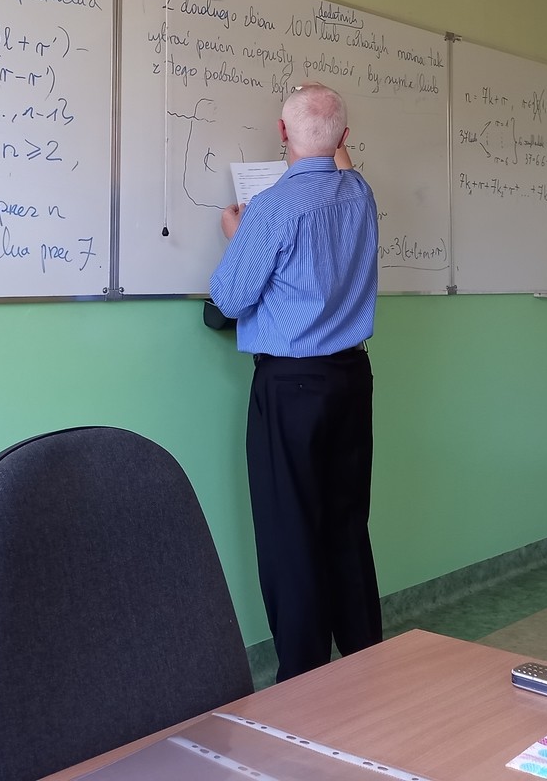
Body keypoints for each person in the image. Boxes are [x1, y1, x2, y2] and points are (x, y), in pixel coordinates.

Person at [208, 83, 382, 682]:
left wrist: (238, 236)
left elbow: (230, 297)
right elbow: (341, 166)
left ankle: (304, 678)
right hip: (351, 381)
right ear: (346, 138)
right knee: (346, 525)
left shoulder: (272, 209)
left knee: (291, 533)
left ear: (281, 133)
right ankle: (367, 660)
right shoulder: (359, 194)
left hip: (291, 387)